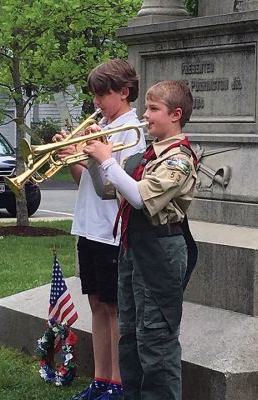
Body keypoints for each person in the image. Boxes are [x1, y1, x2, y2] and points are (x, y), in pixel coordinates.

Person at [83, 80, 198, 400]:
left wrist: (107, 159)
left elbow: (139, 197)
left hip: (161, 251)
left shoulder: (179, 159)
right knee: (131, 339)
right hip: (134, 249)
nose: (145, 115)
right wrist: (94, 158)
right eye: (146, 108)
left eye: (153, 109)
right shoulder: (144, 157)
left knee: (156, 341)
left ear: (176, 115)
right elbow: (108, 190)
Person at [53, 59, 146, 400]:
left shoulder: (130, 131)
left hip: (111, 229)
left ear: (123, 92)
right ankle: (100, 380)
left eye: (102, 94)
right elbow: (87, 182)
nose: (96, 102)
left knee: (114, 308)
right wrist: (72, 158)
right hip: (88, 227)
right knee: (95, 304)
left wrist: (91, 156)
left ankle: (118, 384)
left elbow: (116, 186)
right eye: (93, 94)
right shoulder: (100, 126)